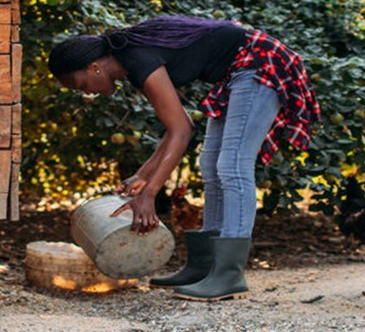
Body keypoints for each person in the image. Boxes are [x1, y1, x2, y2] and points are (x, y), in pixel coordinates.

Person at [48, 15, 319, 301]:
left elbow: (181, 132)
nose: (86, 93)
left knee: (233, 165)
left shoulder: (138, 61)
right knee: (211, 164)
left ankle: (229, 274)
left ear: (94, 67)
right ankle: (206, 266)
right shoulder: (132, 65)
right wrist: (143, 174)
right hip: (238, 71)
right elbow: (177, 126)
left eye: (81, 86)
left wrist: (150, 193)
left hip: (261, 63)